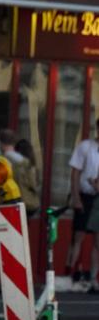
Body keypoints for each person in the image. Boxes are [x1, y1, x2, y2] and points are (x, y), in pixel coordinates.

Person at [0, 129, 38, 291]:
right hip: (20, 207)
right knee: (14, 246)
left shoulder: (0, 162)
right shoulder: (25, 161)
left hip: (2, 206)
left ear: (1, 143)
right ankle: (15, 285)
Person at [67, 120, 99, 293]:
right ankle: (71, 273)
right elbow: (75, 173)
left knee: (97, 240)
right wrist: (76, 197)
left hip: (98, 197)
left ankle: (94, 278)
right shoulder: (86, 146)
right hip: (85, 195)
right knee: (78, 236)